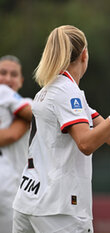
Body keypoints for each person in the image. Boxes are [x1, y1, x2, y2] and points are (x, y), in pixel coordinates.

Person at [12, 25, 110, 233]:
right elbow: (86, 143)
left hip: (29, 201)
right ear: (84, 54)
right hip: (58, 207)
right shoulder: (67, 91)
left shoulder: (54, 89)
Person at [0, 55, 32, 233]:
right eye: (2, 73)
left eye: (13, 74)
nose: (7, 79)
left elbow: (12, 135)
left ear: (21, 81)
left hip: (16, 185)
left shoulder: (29, 103)